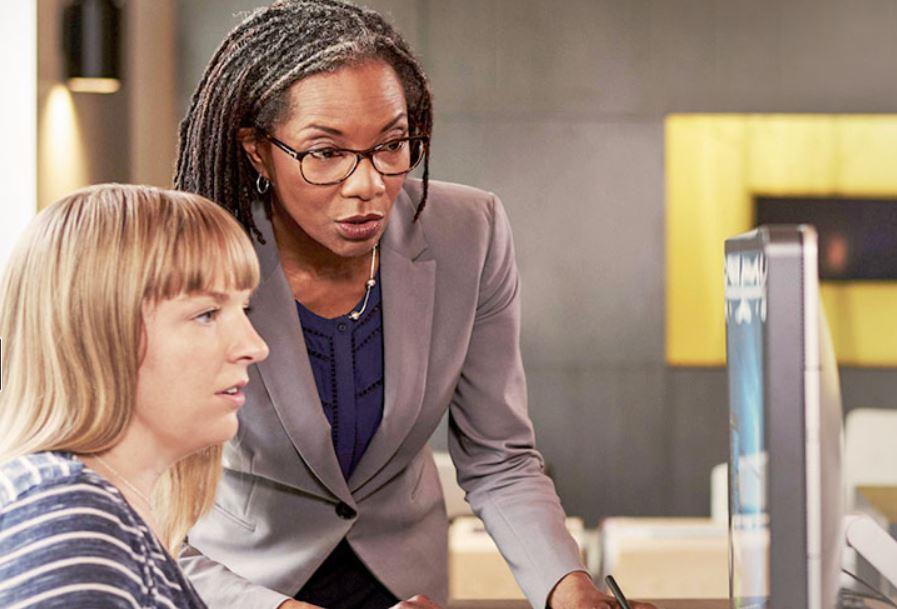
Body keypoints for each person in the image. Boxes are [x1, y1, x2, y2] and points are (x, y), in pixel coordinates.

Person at [175, 2, 655, 609]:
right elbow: (149, 505)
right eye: (326, 153)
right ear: (257, 150)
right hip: (246, 586)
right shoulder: (193, 262)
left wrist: (568, 588)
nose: (368, 184)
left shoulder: (469, 232)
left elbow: (499, 458)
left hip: (406, 585)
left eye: (392, 145)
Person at [0, 184, 269, 608]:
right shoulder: (69, 517)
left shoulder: (94, 514)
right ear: (98, 332)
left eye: (244, 309)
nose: (254, 346)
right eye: (206, 314)